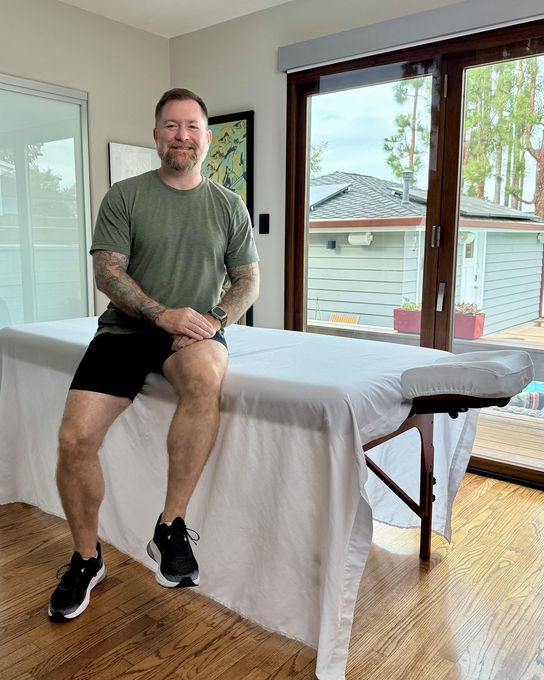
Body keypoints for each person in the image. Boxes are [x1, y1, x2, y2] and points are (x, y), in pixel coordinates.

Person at [48, 88, 260, 621]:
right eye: (171, 126)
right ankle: (86, 558)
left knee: (207, 374)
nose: (181, 136)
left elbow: (247, 279)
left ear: (206, 138)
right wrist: (161, 314)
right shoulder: (125, 196)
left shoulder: (228, 206)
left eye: (191, 127)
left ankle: (170, 526)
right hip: (126, 329)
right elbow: (108, 272)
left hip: (192, 334)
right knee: (74, 439)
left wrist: (215, 320)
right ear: (156, 135)